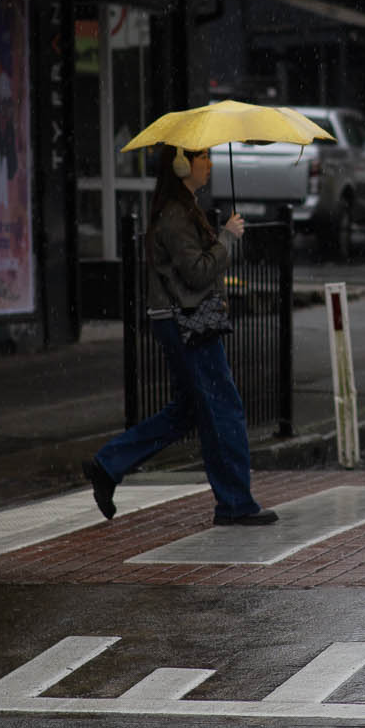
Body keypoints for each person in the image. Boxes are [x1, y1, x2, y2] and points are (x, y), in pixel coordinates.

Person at [82, 144, 277, 526]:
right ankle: (235, 503)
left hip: (179, 321)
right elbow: (198, 273)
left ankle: (108, 465)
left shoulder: (182, 210)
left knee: (187, 412)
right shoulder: (175, 216)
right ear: (181, 164)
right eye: (202, 156)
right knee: (224, 409)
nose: (209, 163)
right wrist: (227, 238)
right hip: (186, 323)